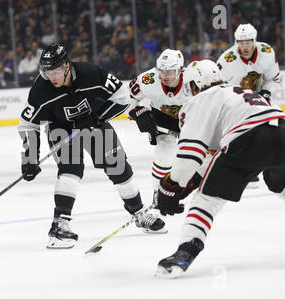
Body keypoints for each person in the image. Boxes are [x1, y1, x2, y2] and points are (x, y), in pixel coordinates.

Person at [17, 43, 166, 249]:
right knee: (71, 168)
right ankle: (60, 224)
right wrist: (30, 157)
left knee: (118, 166)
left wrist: (97, 117)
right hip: (60, 128)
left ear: (68, 65)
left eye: (57, 70)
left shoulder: (91, 73)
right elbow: (28, 123)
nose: (52, 76)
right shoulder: (41, 89)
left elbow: (122, 97)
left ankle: (139, 213)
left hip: (94, 122)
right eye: (47, 71)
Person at [155, 60, 285, 278]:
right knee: (282, 186)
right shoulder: (238, 92)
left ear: (195, 85)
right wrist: (193, 178)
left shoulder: (202, 99)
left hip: (249, 140)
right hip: (281, 129)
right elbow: (213, 154)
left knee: (206, 200)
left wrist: (171, 185)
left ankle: (186, 251)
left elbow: (191, 152)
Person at [127, 49, 204, 214]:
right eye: (162, 70)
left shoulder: (195, 80)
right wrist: (137, 112)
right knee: (164, 153)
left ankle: (199, 195)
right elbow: (128, 99)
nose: (165, 75)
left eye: (170, 71)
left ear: (180, 70)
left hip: (191, 120)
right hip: (163, 120)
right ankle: (158, 196)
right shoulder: (147, 80)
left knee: (198, 160)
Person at [217, 23, 281, 188]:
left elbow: (273, 79)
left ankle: (264, 166)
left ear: (254, 40)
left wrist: (266, 92)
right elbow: (219, 89)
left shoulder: (266, 52)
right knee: (240, 133)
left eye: (248, 42)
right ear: (236, 42)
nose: (244, 46)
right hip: (234, 99)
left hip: (259, 96)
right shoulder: (226, 60)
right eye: (241, 42)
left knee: (271, 129)